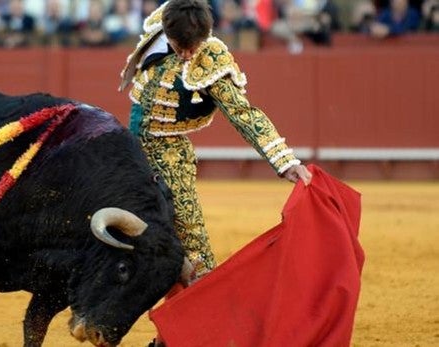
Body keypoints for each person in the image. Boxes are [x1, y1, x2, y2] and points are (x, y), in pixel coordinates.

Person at [119, 0, 312, 286]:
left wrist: (285, 161)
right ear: (167, 33)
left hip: (168, 153)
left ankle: (199, 320)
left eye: (192, 47)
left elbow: (242, 114)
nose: (186, 55)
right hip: (129, 151)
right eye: (179, 46)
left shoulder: (210, 59)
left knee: (189, 237)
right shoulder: (165, 21)